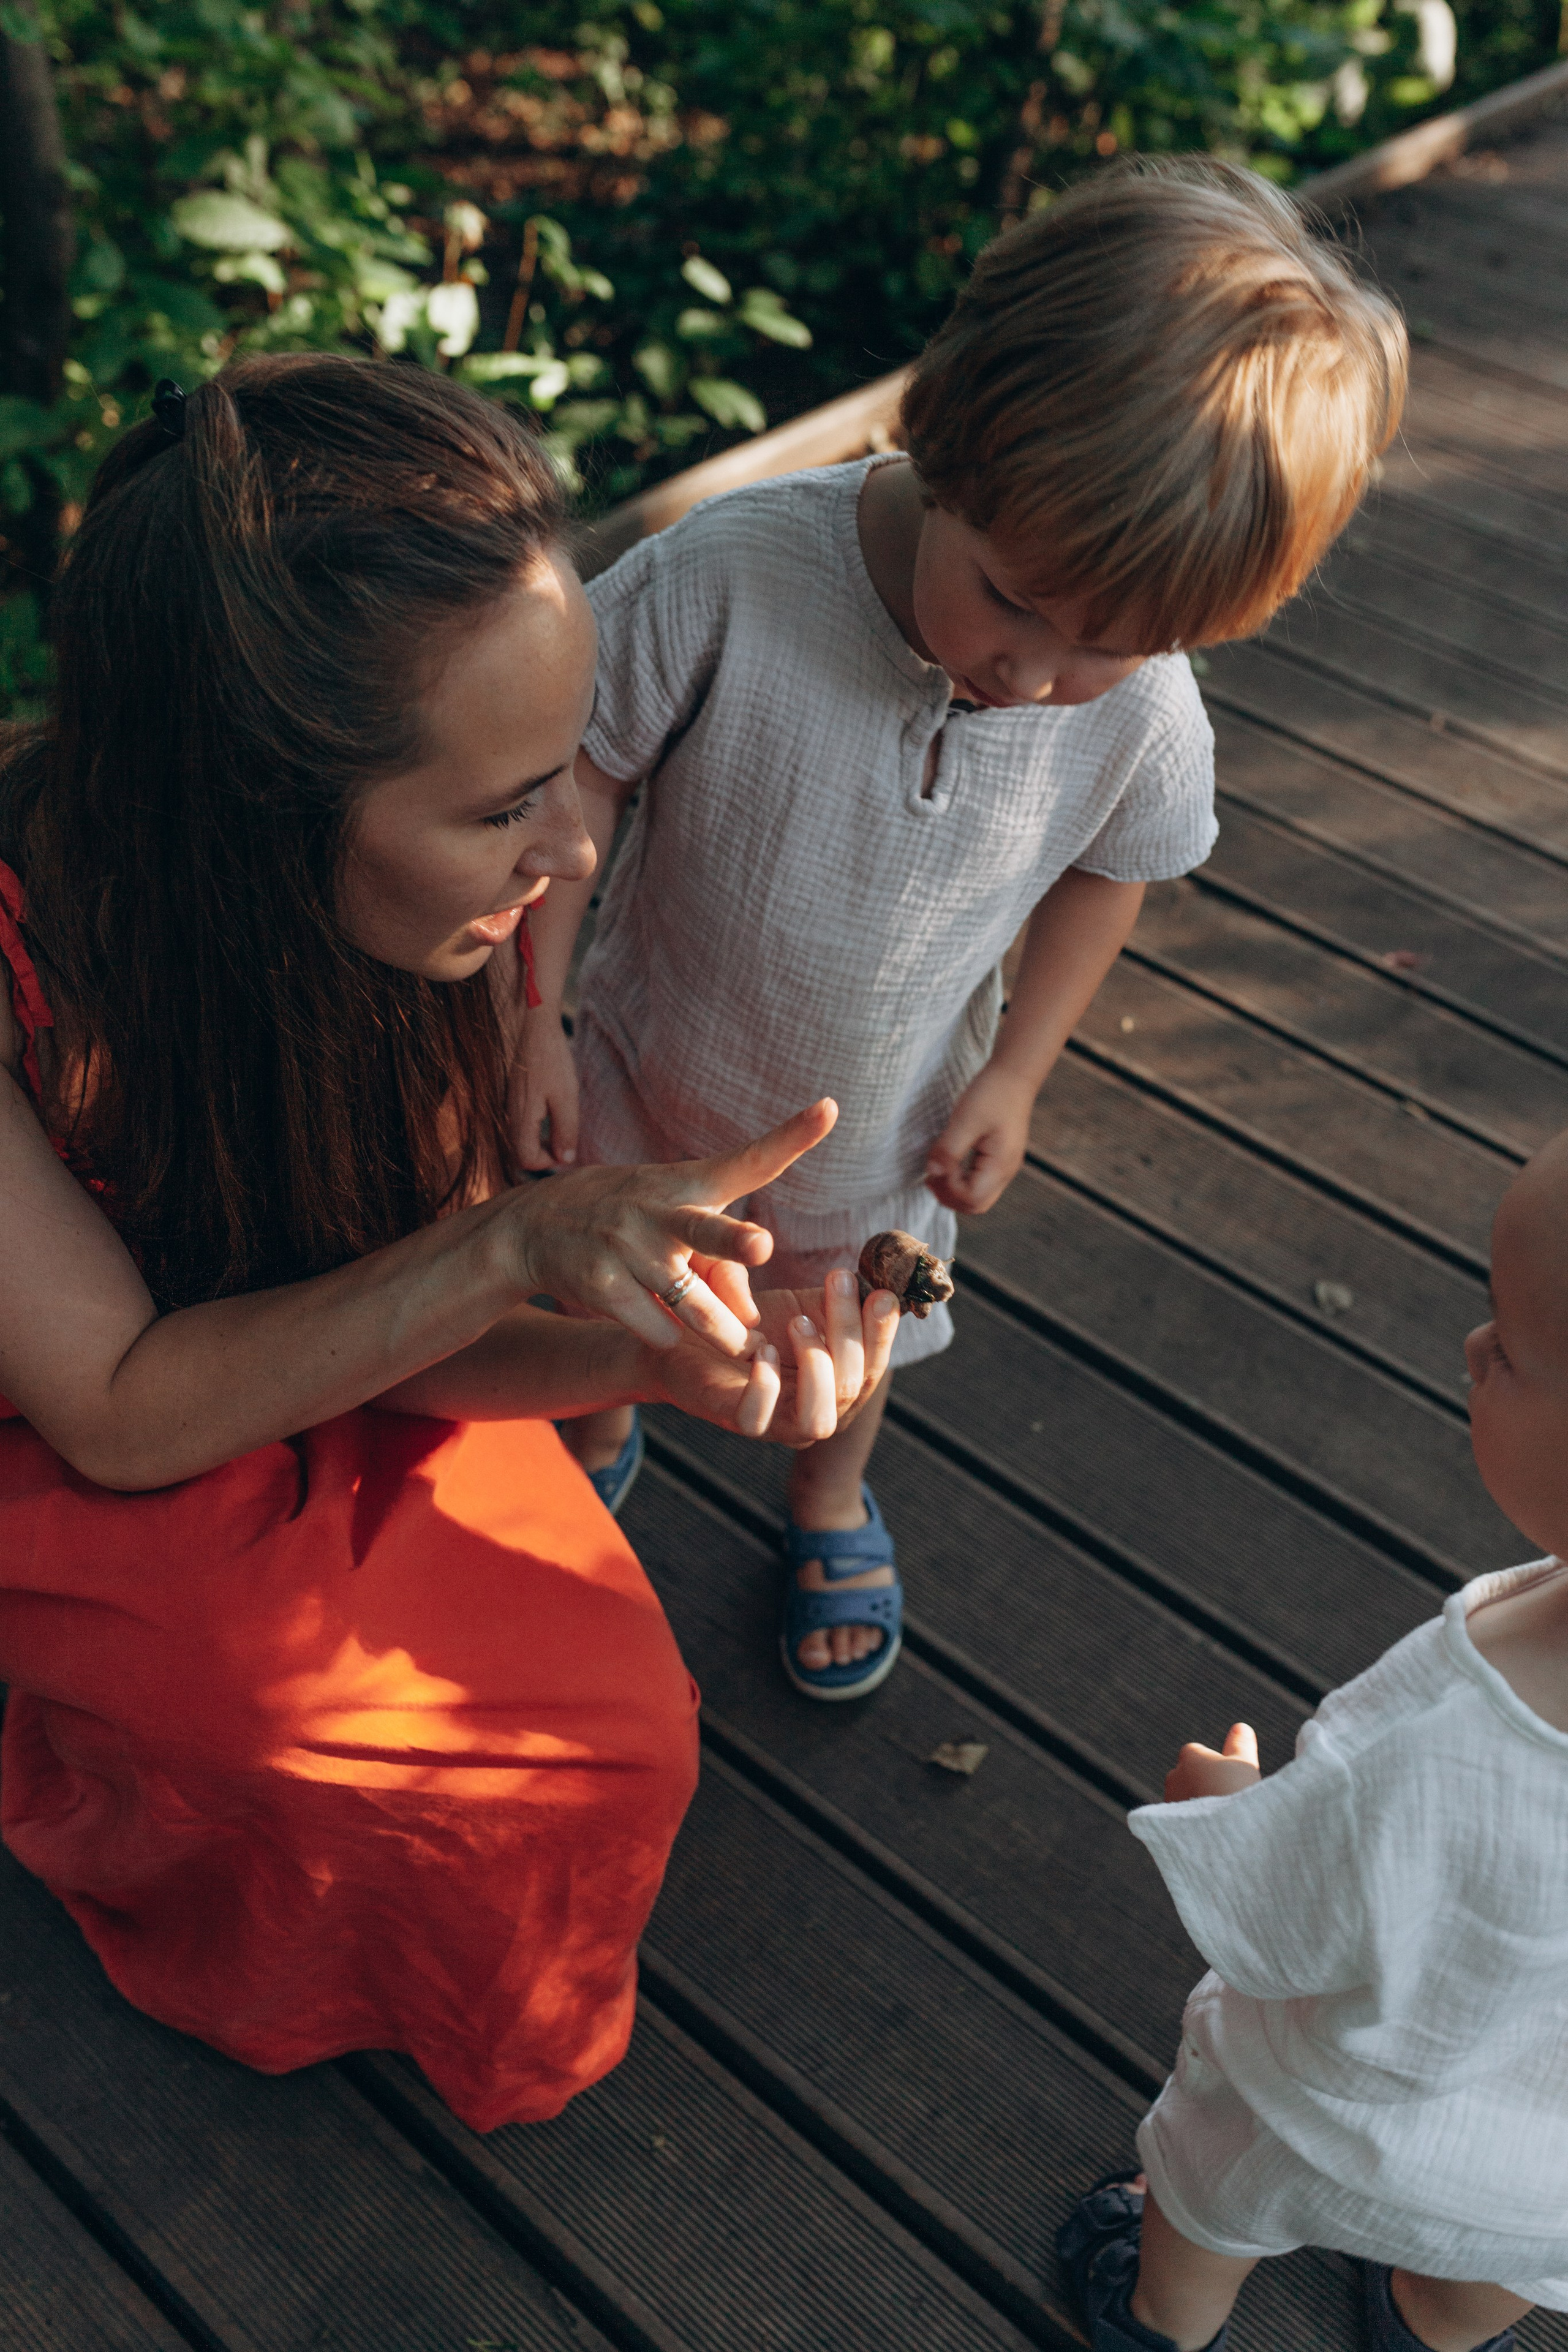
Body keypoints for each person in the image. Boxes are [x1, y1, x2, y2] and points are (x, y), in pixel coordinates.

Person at [0, 353, 896, 2133]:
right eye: (504, 808)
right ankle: (166, 1881)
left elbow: (415, 1319)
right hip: (80, 1435)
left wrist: (662, 1361)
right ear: (256, 817)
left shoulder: (433, 934)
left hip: (327, 1364)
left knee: (619, 1743)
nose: (568, 854)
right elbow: (114, 1409)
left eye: (565, 775)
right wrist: (513, 1249)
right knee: (314, 1746)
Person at [513, 156, 1408, 1702]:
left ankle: (826, 1498)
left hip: (888, 1123)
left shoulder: (1140, 715)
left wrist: (1019, 1075)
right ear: (949, 440)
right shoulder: (739, 572)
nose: (1038, 675)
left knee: (846, 1335)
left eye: (1111, 646)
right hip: (650, 1067)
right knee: (623, 1283)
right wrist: (529, 1008)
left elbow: (1106, 871)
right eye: (1009, 598)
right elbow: (583, 768)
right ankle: (600, 1424)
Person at [1057, 1129, 1568, 2352]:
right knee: (1494, 2266)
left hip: (1325, 2120)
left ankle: (1157, 2316)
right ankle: (1431, 2325)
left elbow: (1284, 1929)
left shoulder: (1461, 1714)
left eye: (1504, 1346)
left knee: (1209, 2196)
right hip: (1543, 2179)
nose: (1467, 1350)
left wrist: (1228, 1801)